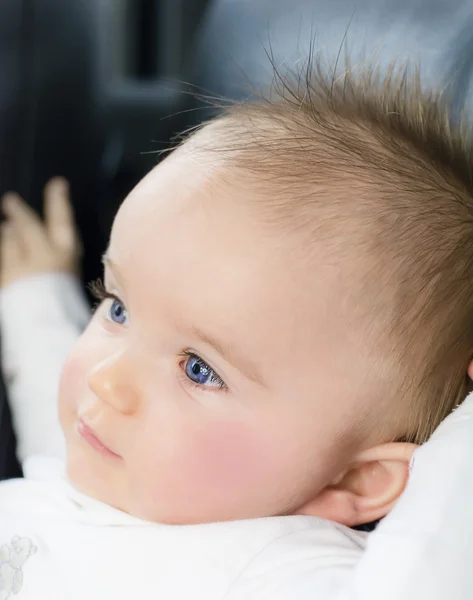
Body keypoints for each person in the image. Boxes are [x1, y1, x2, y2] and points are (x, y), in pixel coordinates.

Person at [1, 61, 473, 599]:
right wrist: (31, 293)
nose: (106, 381)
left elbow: (434, 562)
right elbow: (49, 417)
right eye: (119, 308)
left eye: (199, 370)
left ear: (354, 480)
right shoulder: (87, 467)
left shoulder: (285, 568)